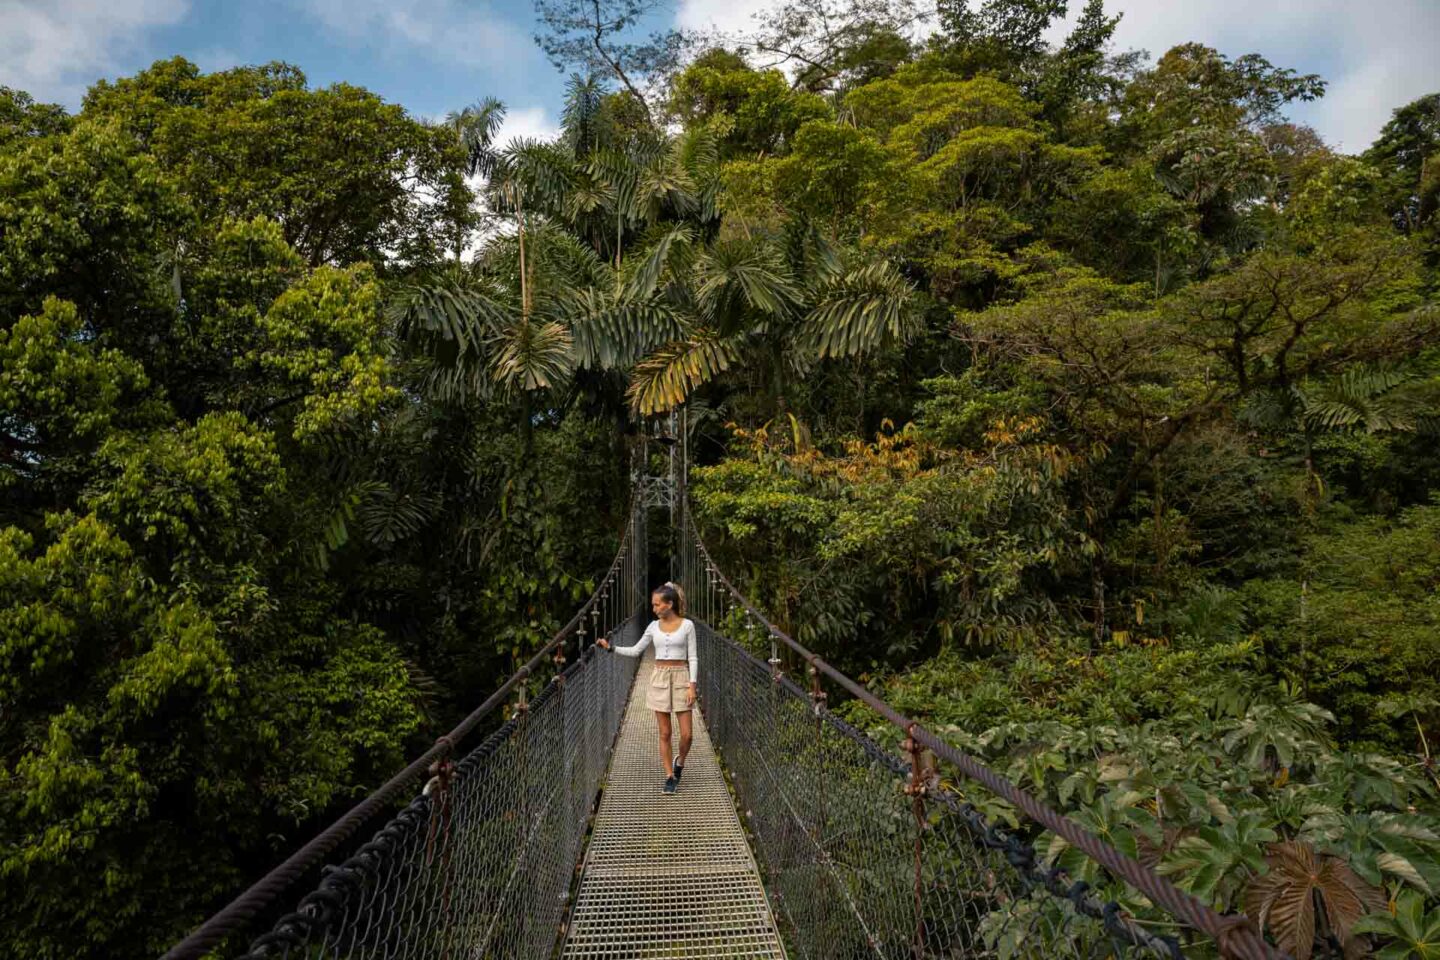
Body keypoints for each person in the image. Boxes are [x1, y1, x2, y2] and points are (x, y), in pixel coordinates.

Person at [596, 582, 697, 794]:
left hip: (681, 677)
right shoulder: (652, 627)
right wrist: (611, 648)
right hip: (659, 678)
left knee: (687, 735)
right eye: (653, 605)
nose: (654, 609)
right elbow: (636, 651)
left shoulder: (687, 625)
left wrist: (692, 686)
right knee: (665, 733)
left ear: (669, 604)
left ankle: (681, 762)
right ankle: (670, 776)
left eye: (657, 605)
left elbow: (693, 657)